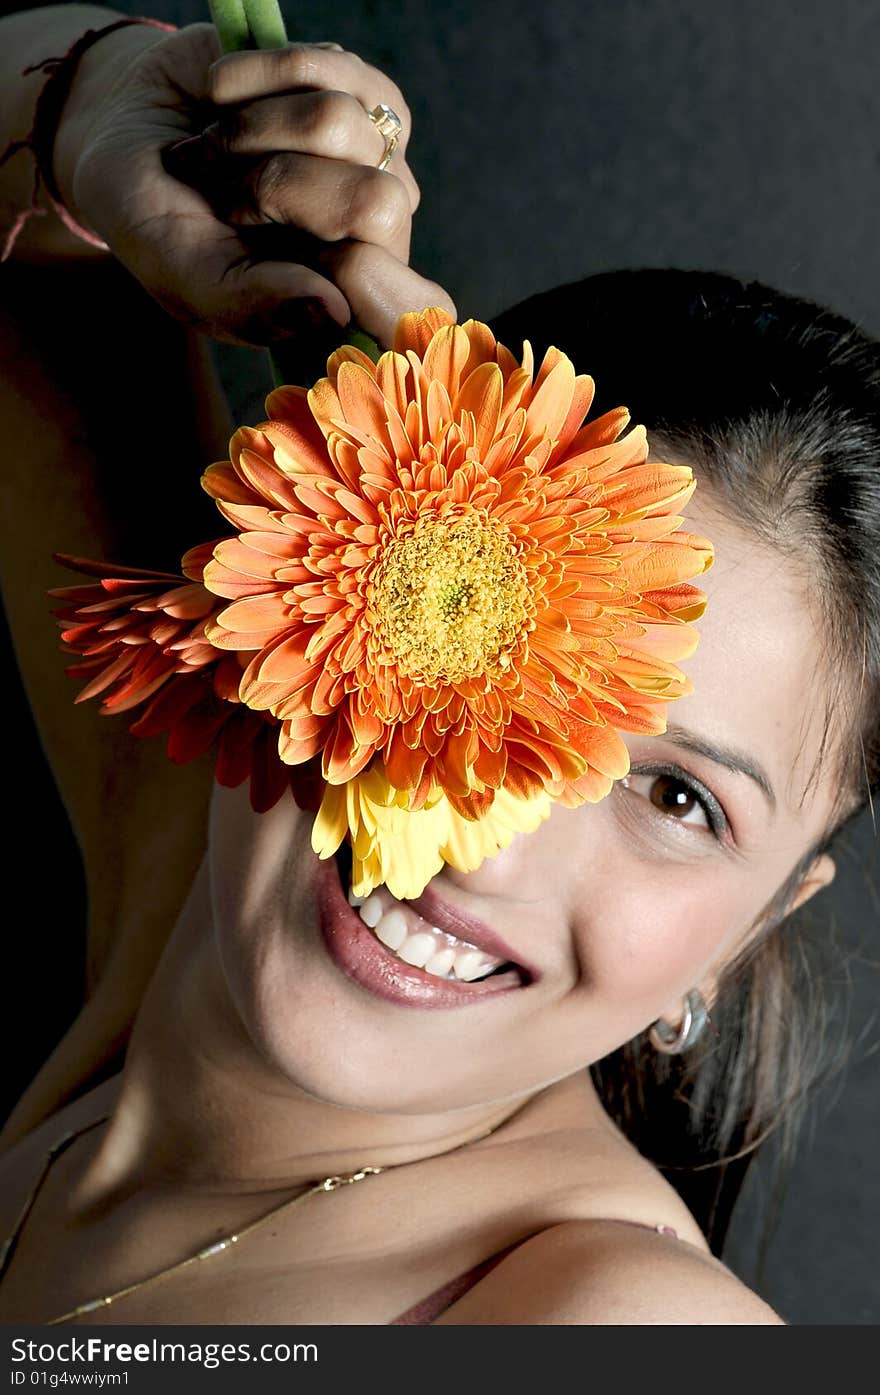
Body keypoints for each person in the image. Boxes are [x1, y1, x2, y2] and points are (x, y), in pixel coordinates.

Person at [0, 6, 877, 1325]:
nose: (484, 833)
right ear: (315, 562)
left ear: (757, 921)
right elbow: (43, 246)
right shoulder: (183, 878)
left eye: (678, 799)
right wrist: (105, 103)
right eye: (491, 634)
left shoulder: (608, 1317)